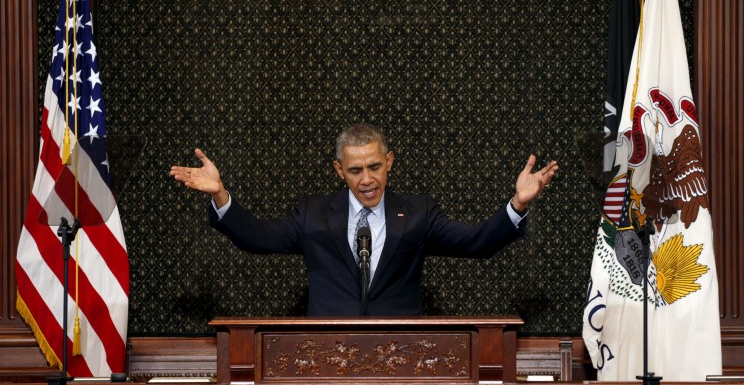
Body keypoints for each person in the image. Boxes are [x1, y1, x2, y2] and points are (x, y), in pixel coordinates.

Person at [170, 124, 558, 316]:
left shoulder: (418, 212)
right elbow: (258, 237)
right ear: (340, 170)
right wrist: (221, 195)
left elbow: (477, 243)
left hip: (402, 357)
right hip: (325, 357)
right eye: (355, 170)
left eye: (375, 166)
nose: (367, 179)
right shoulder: (314, 214)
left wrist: (517, 204)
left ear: (389, 162)